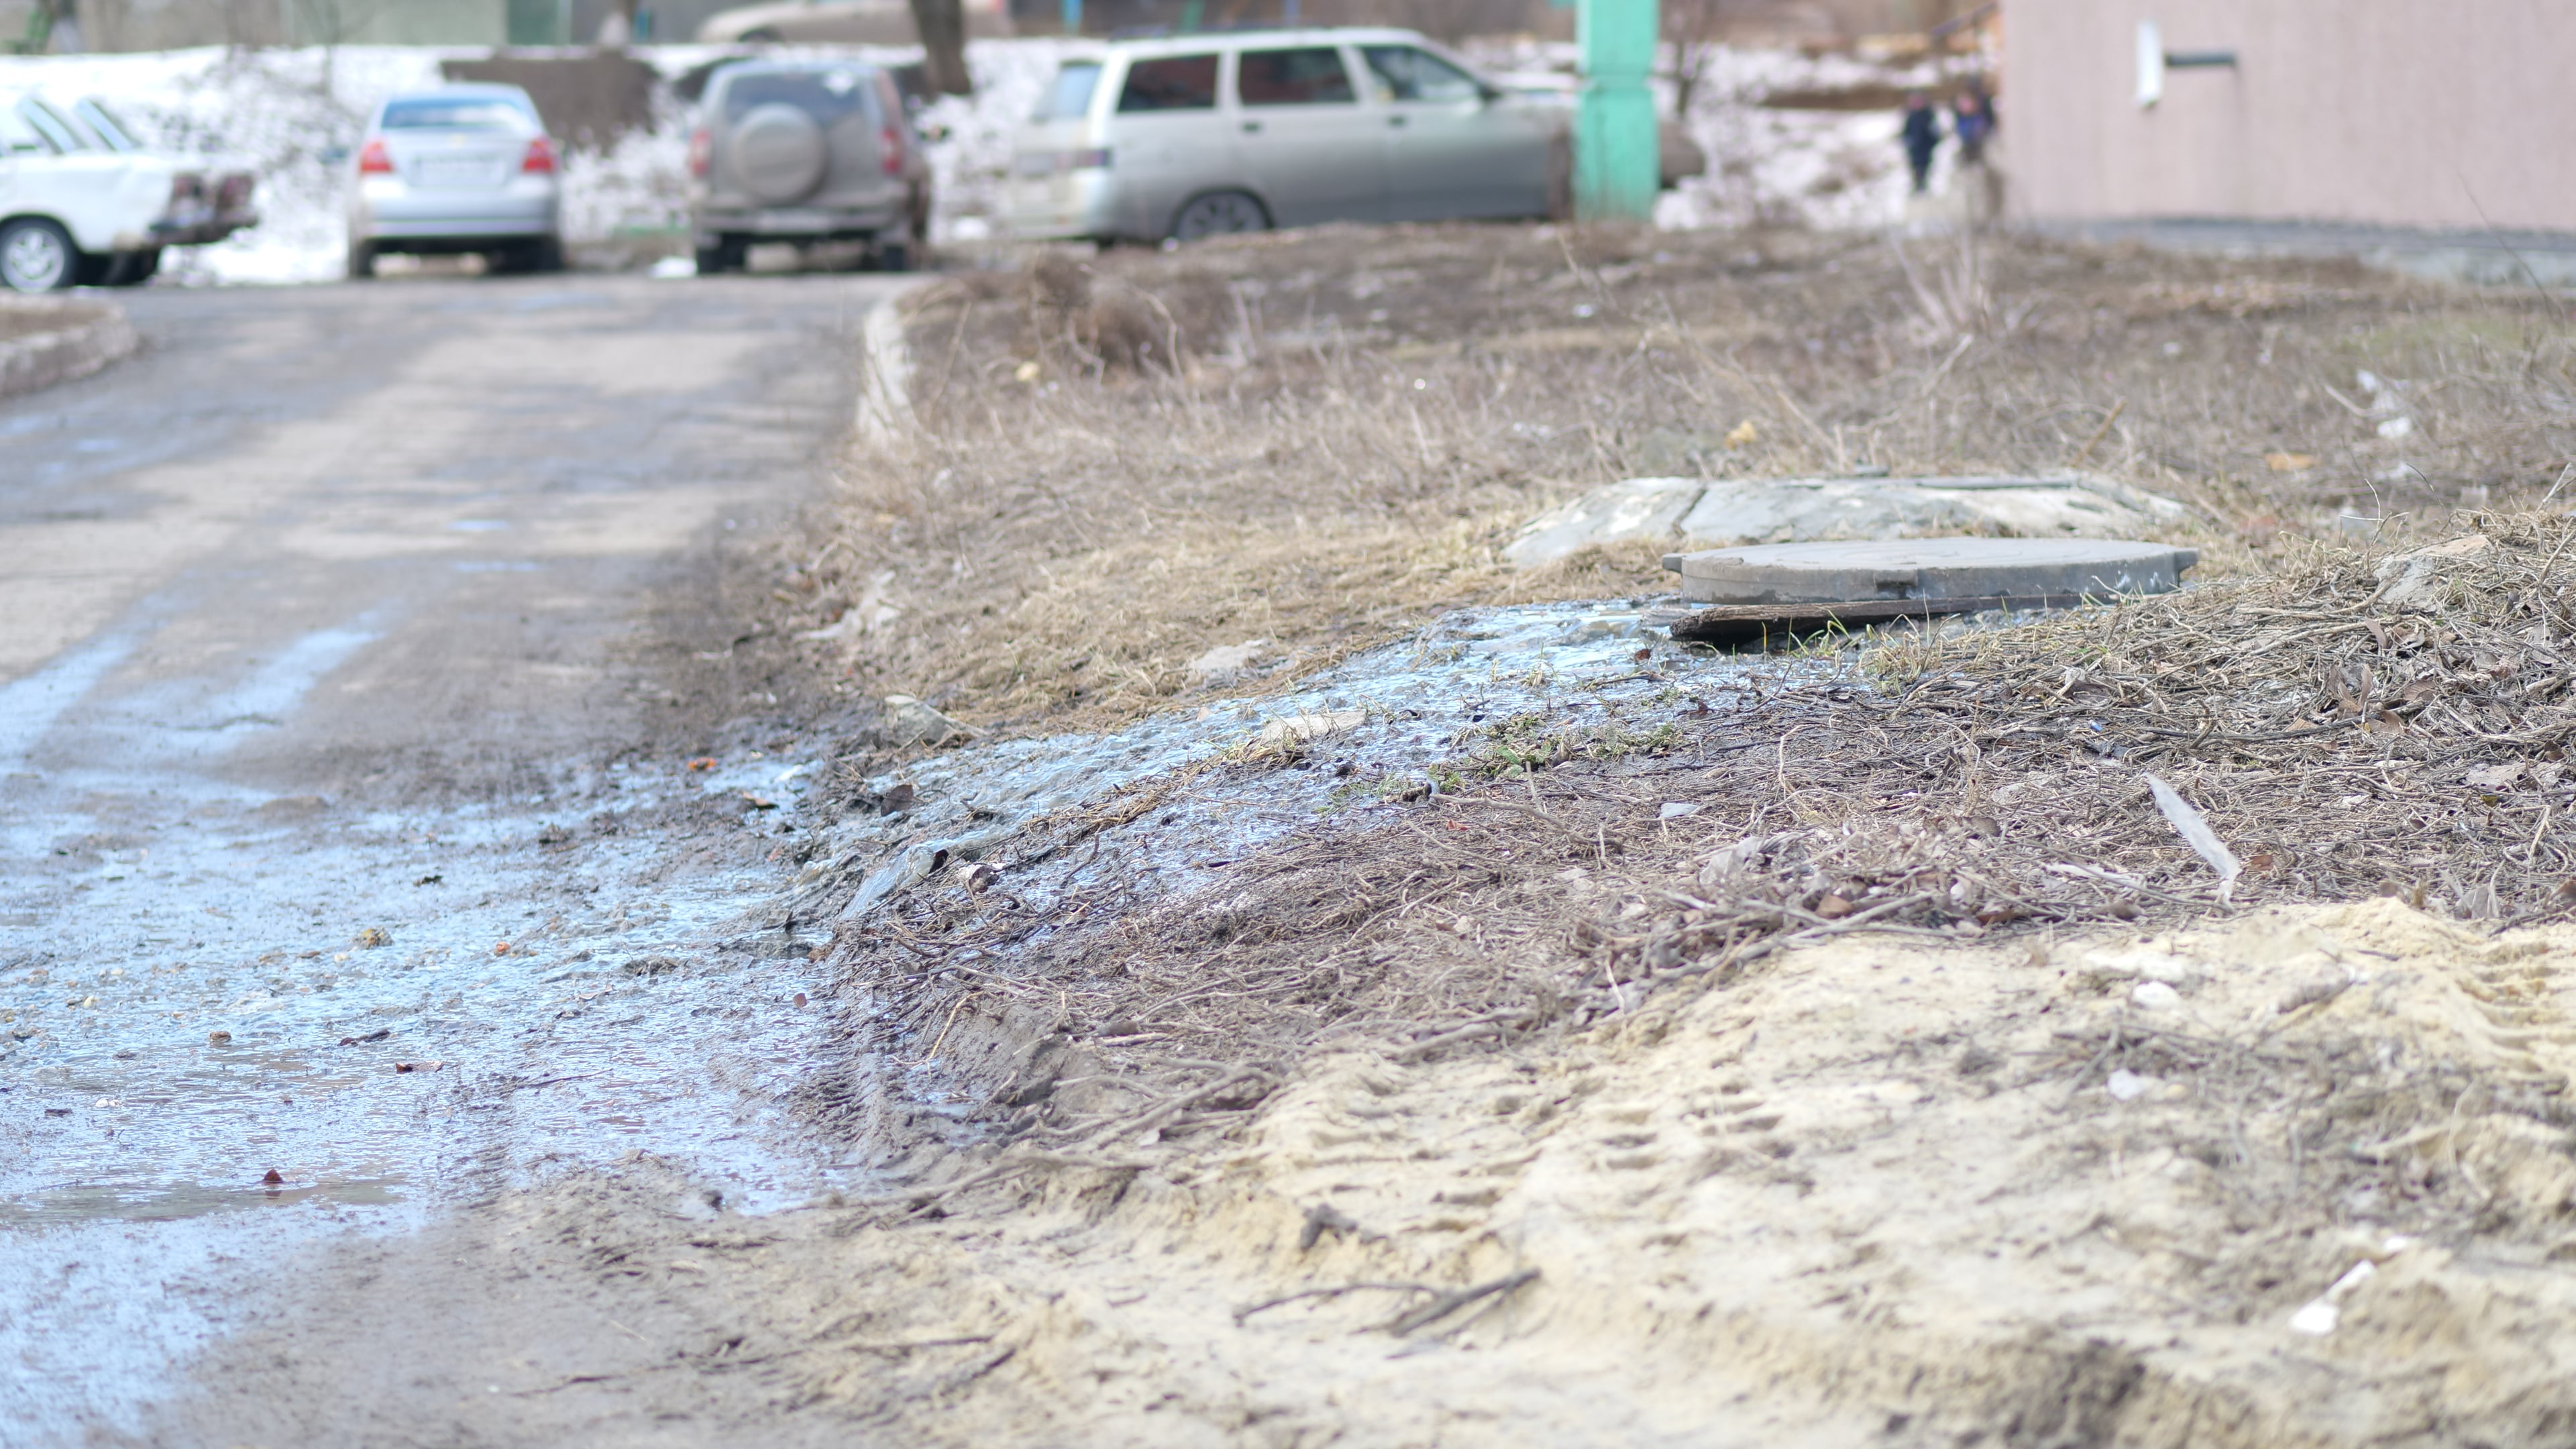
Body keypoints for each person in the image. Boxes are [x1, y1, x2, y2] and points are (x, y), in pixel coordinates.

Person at [1900, 91, 1941, 195]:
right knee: (1915, 168)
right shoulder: (1911, 116)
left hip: (1926, 149)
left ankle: (1924, 186)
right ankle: (1918, 185)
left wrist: (1932, 144)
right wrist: (1907, 141)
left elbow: (1935, 133)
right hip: (1914, 150)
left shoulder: (1928, 115)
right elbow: (1905, 131)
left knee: (1925, 168)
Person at [1952, 85, 1994, 167]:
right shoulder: (1961, 120)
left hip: (1980, 150)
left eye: (1967, 102)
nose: (1964, 106)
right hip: (1968, 149)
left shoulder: (1980, 120)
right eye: (1962, 103)